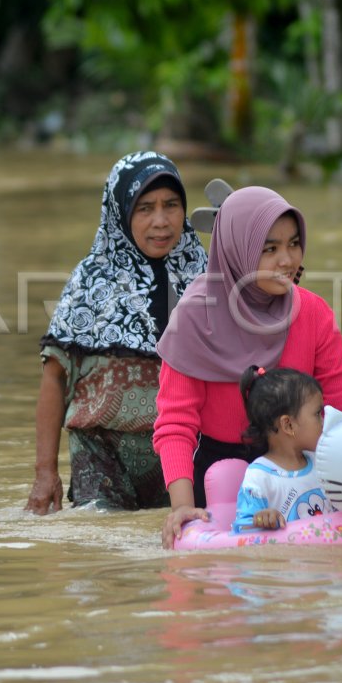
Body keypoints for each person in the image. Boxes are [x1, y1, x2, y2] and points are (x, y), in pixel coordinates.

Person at [153, 186, 342, 548]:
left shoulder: (313, 313)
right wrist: (183, 508)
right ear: (238, 252)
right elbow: (175, 424)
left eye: (294, 243)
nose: (287, 259)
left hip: (302, 471)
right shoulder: (194, 317)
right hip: (218, 478)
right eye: (270, 249)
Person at [25, 152, 207, 513]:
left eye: (171, 205)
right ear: (120, 212)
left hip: (183, 449)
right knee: (102, 541)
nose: (161, 221)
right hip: (101, 451)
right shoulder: (90, 281)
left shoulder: (205, 276)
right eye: (145, 208)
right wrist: (45, 473)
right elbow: (54, 378)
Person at [231, 366, 329, 533]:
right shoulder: (260, 477)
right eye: (318, 414)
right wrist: (262, 518)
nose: (324, 421)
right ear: (288, 425)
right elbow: (241, 530)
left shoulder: (321, 462)